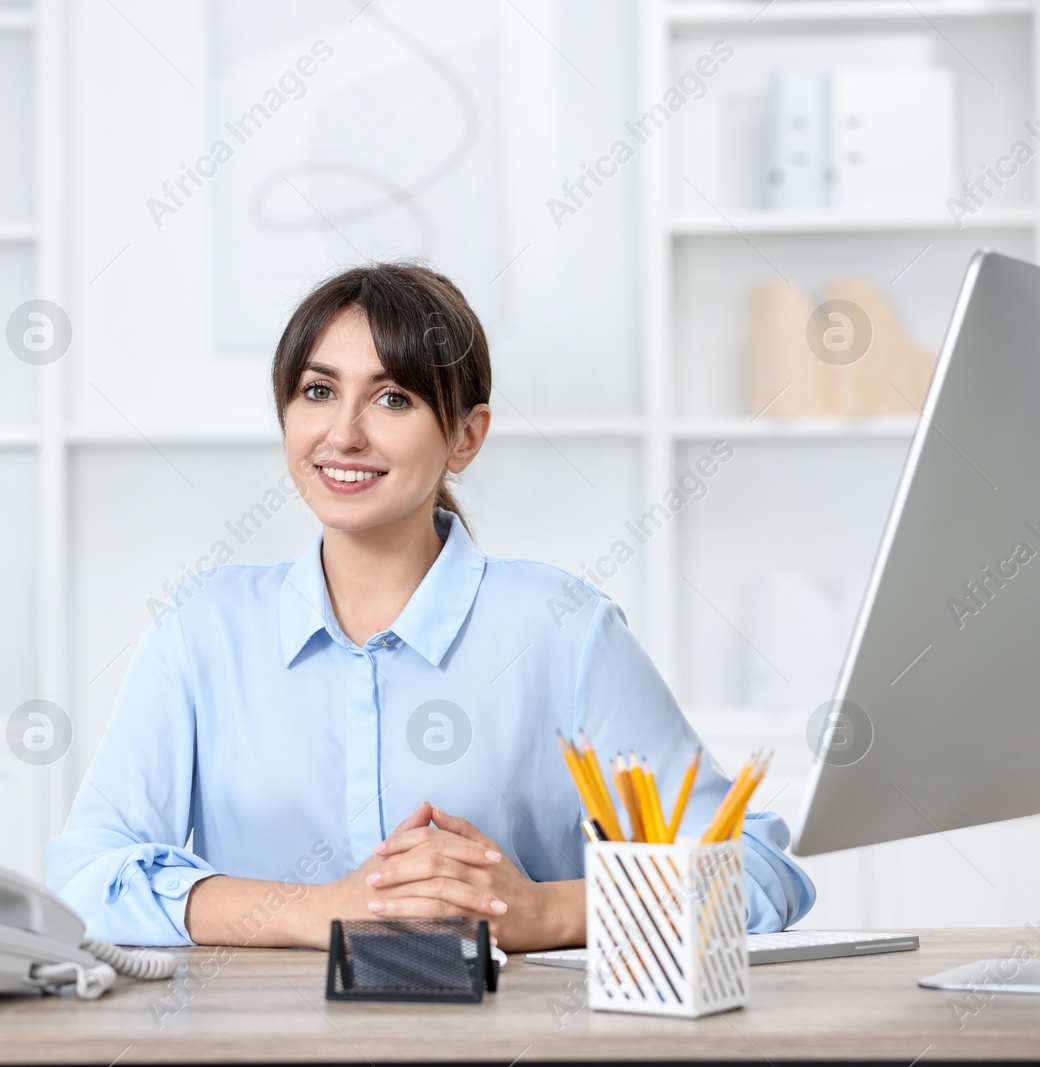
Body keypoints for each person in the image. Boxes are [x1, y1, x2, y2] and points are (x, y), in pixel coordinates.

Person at [45, 262, 815, 950]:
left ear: (465, 436)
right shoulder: (203, 626)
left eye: (393, 397)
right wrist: (314, 911)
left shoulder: (562, 627)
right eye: (318, 391)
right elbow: (89, 874)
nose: (343, 434)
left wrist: (545, 912)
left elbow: (759, 869)